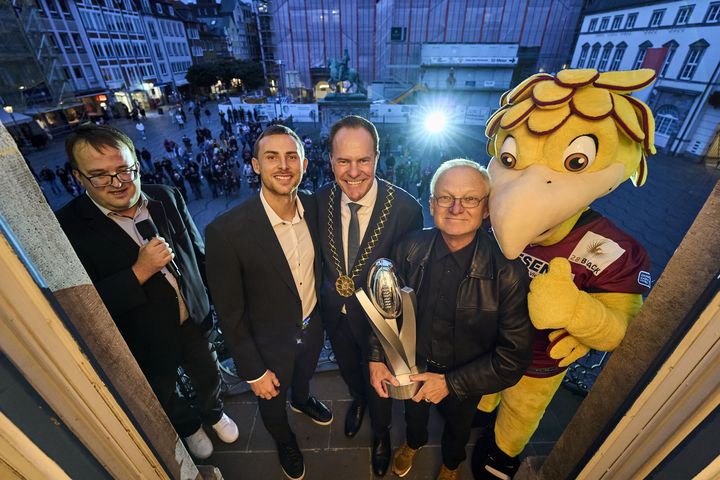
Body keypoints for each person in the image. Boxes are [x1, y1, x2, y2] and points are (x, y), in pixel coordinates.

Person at [55, 123, 238, 460]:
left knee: (208, 373)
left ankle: (213, 413)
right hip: (144, 337)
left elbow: (197, 254)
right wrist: (139, 272)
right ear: (78, 178)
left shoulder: (166, 196)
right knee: (163, 390)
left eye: (124, 169)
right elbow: (85, 306)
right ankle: (189, 427)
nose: (118, 182)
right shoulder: (68, 228)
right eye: (100, 175)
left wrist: (214, 301)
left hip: (193, 320)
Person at [368, 159, 534, 480]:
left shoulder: (508, 273)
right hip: (413, 364)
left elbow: (514, 358)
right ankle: (413, 444)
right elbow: (384, 308)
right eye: (446, 197)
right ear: (432, 204)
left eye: (470, 199)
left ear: (486, 208)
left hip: (467, 375)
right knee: (413, 415)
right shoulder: (409, 247)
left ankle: (451, 464)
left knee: (458, 427)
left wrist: (451, 383)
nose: (456, 207)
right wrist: (376, 357)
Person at [205, 125, 332, 480]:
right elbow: (229, 314)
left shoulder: (314, 205)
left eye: (292, 156)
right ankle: (284, 439)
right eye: (271, 157)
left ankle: (303, 399)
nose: (283, 165)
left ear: (304, 164)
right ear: (255, 165)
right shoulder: (226, 231)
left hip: (312, 326)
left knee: (304, 375)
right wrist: (253, 371)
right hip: (266, 345)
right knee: (271, 402)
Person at [316, 115, 423, 476]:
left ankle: (381, 434)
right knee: (350, 371)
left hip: (381, 327)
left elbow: (406, 280)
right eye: (343, 161)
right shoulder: (319, 201)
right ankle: (357, 401)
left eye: (363, 160)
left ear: (377, 158)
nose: (353, 172)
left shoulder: (407, 209)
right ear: (331, 160)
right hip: (337, 316)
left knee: (382, 386)